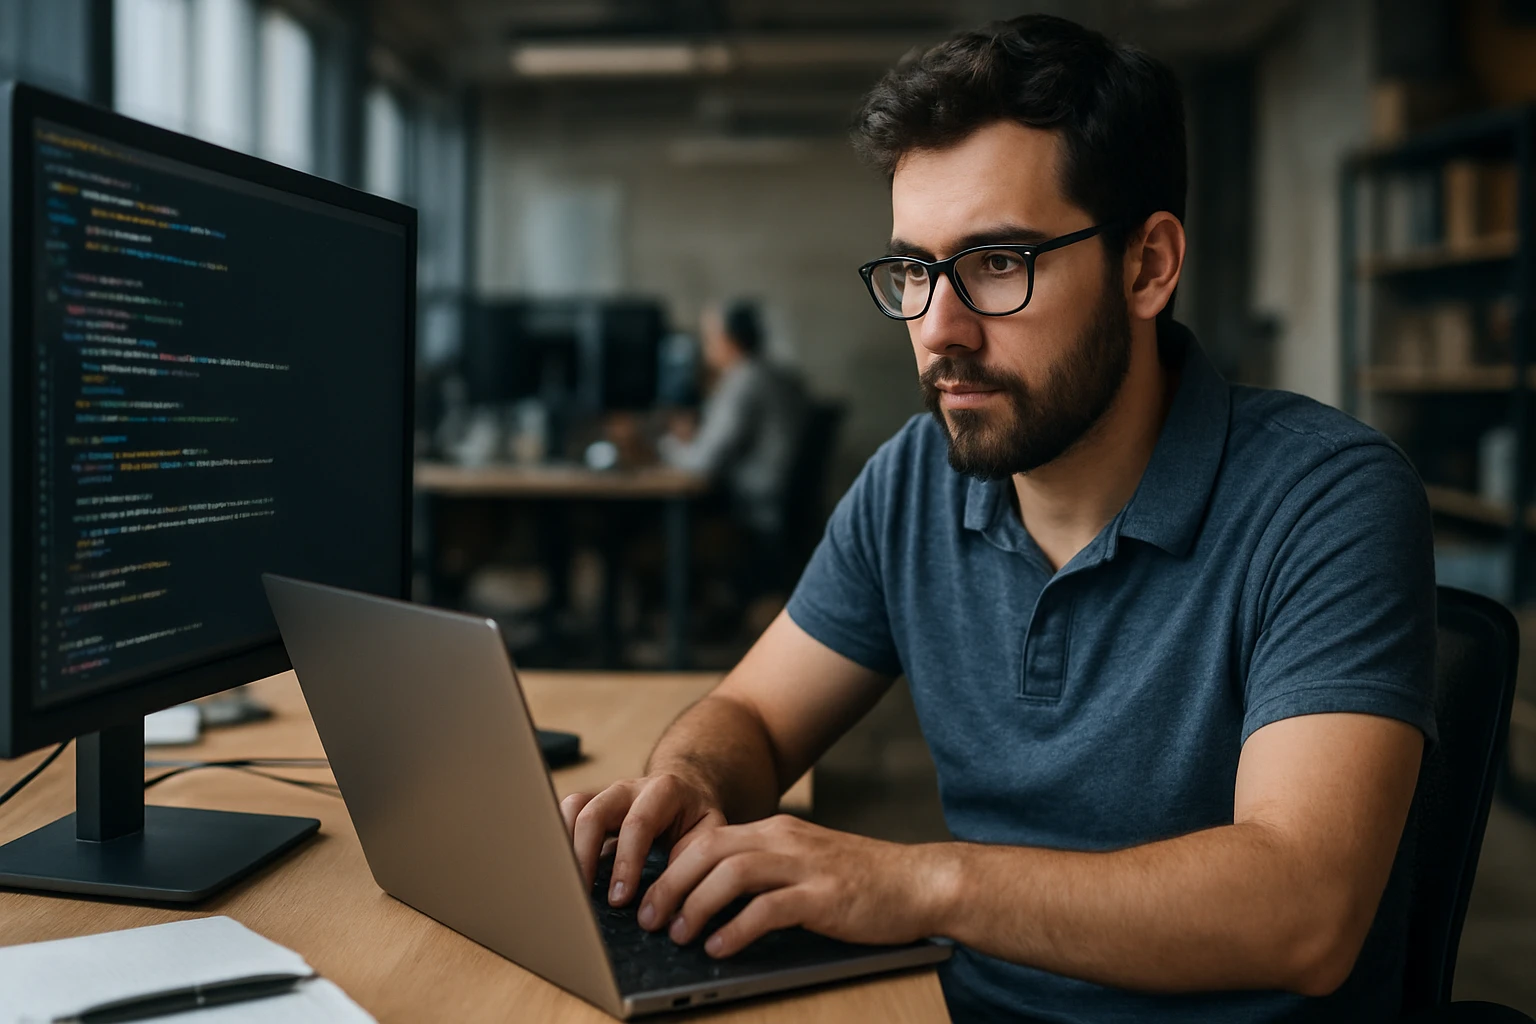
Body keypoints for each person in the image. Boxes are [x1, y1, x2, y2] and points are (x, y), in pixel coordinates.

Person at [564, 15, 1435, 1024]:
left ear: (1148, 266)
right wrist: (690, 783)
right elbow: (753, 717)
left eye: (997, 263)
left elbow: (1304, 910)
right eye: (913, 271)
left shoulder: (1327, 498)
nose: (939, 328)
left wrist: (916, 883)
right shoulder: (915, 480)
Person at [659, 301, 807, 599]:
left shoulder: (744, 380)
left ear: (729, 339)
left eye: (709, 337)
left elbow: (702, 463)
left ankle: (676, 610)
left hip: (750, 510)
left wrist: (663, 445)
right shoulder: (775, 375)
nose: (705, 347)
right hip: (778, 507)